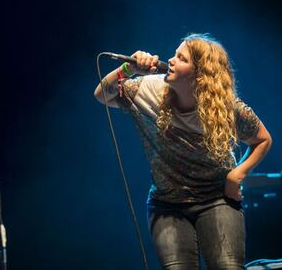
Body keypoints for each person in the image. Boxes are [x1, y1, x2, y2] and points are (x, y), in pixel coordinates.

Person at [94, 33, 272, 270]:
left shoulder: (225, 107)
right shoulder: (151, 89)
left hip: (216, 199)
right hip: (167, 204)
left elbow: (263, 140)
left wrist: (237, 174)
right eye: (174, 55)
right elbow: (102, 94)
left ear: (200, 74)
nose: (171, 60)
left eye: (182, 58)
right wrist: (128, 69)